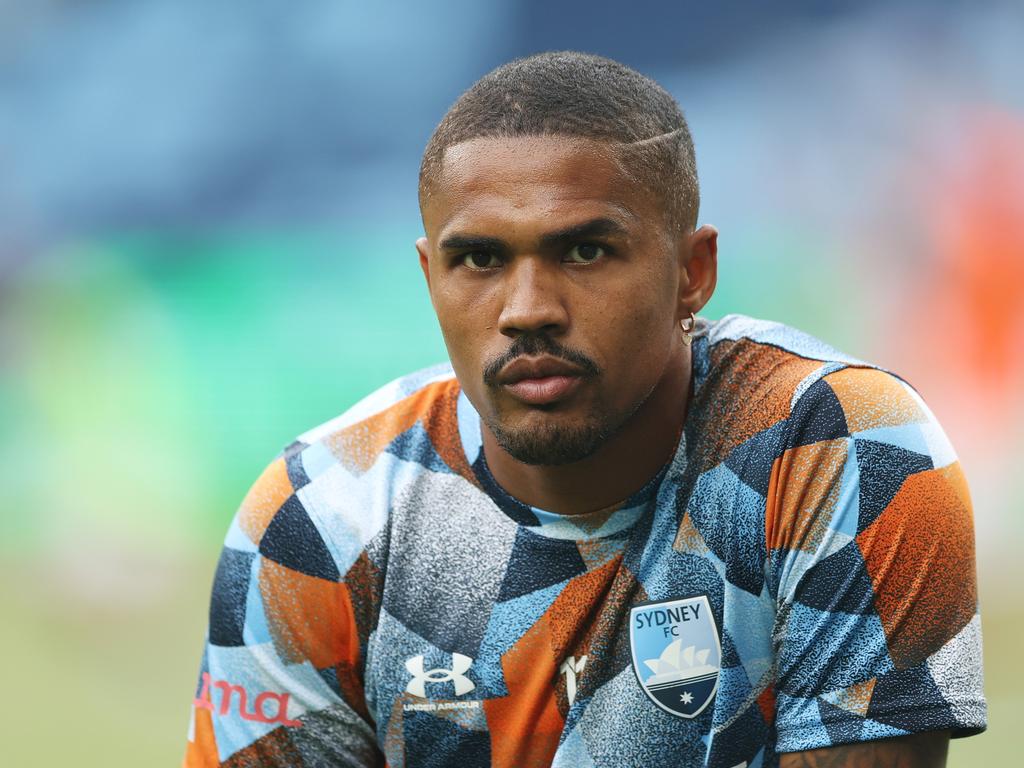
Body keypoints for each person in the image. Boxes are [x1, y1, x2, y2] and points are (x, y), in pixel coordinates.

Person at [182, 51, 986, 768]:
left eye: (585, 251)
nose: (528, 308)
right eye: (481, 259)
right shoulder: (322, 516)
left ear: (692, 272)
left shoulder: (836, 448)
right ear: (432, 278)